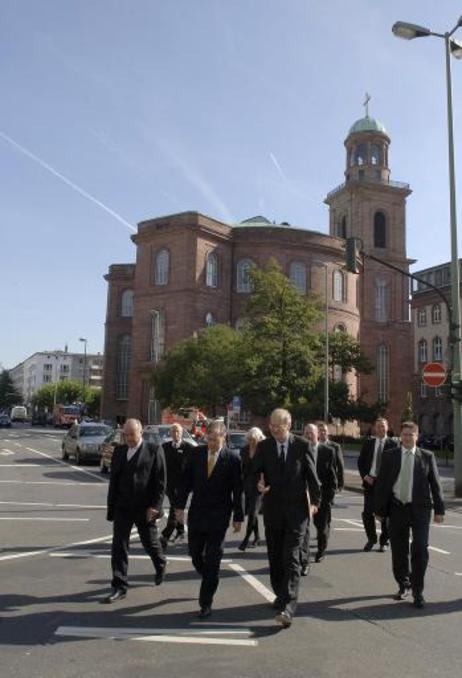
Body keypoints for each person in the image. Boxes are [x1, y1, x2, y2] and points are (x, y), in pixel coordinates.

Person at [253, 408, 321, 628]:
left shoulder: (302, 446)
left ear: (289, 425)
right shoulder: (264, 447)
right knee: (275, 558)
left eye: (278, 426)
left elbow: (312, 477)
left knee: (291, 559)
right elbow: (255, 472)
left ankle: (288, 607)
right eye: (271, 425)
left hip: (296, 513)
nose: (273, 429)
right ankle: (281, 595)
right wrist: (258, 483)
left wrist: (314, 503)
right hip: (273, 511)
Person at [175, 420, 244, 619]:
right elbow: (185, 481)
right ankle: (209, 576)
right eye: (209, 439)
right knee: (195, 554)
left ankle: (206, 602)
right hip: (197, 513)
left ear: (224, 438)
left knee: (213, 560)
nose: (212, 443)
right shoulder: (196, 454)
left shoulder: (232, 459)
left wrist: (238, 516)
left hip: (219, 516)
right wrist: (179, 506)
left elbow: (238, 491)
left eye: (216, 440)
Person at [374, 421, 445, 608]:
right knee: (399, 550)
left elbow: (436, 485)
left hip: (420, 510)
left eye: (410, 435)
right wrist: (379, 510)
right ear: (400, 436)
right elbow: (382, 484)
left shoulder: (427, 457)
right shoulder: (390, 456)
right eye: (404, 434)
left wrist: (439, 510)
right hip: (397, 508)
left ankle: (418, 590)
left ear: (417, 436)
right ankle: (403, 583)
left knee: (420, 549)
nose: (407, 438)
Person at [103, 418, 167, 603]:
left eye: (132, 434)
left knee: (150, 543)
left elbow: (161, 483)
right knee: (119, 546)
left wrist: (155, 507)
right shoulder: (120, 451)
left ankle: (160, 563)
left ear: (140, 432)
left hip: (144, 507)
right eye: (126, 434)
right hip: (123, 506)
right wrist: (111, 507)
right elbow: (114, 481)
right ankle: (119, 585)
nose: (129, 438)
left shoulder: (154, 450)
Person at [357, 417, 395, 552]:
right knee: (367, 514)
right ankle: (371, 539)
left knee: (385, 515)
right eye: (378, 426)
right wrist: (365, 476)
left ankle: (384, 541)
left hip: (385, 486)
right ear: (374, 428)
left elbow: (396, 467)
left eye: (383, 426)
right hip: (370, 483)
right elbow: (360, 462)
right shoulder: (368, 443)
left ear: (387, 427)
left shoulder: (393, 444)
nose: (381, 429)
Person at [302, 423, 337, 565]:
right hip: (304, 495)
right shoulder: (300, 450)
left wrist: (329, 497)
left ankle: (321, 550)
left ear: (318, 434)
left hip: (323, 495)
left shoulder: (328, 451)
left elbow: (332, 476)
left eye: (311, 433)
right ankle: (304, 557)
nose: (309, 435)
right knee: (304, 528)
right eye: (306, 433)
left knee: (321, 527)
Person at [160, 423, 195, 549]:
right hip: (169, 485)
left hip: (183, 486)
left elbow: (192, 468)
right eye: (173, 431)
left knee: (174, 510)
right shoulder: (164, 447)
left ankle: (165, 535)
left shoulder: (189, 448)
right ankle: (180, 531)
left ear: (182, 433)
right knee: (176, 508)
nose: (175, 434)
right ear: (170, 433)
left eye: (178, 431)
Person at [239, 427, 266, 552]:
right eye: (250, 439)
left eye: (254, 439)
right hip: (246, 485)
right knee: (251, 512)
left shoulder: (263, 451)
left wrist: (263, 481)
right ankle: (257, 537)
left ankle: (246, 539)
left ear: (259, 439)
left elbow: (266, 469)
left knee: (252, 513)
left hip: (258, 486)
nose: (252, 442)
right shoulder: (244, 450)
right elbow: (242, 468)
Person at [317, 422, 344, 495]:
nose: (322, 432)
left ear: (328, 432)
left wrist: (340, 484)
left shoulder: (335, 447)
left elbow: (340, 466)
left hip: (329, 483)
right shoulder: (312, 446)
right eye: (320, 430)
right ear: (317, 432)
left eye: (324, 430)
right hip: (316, 482)